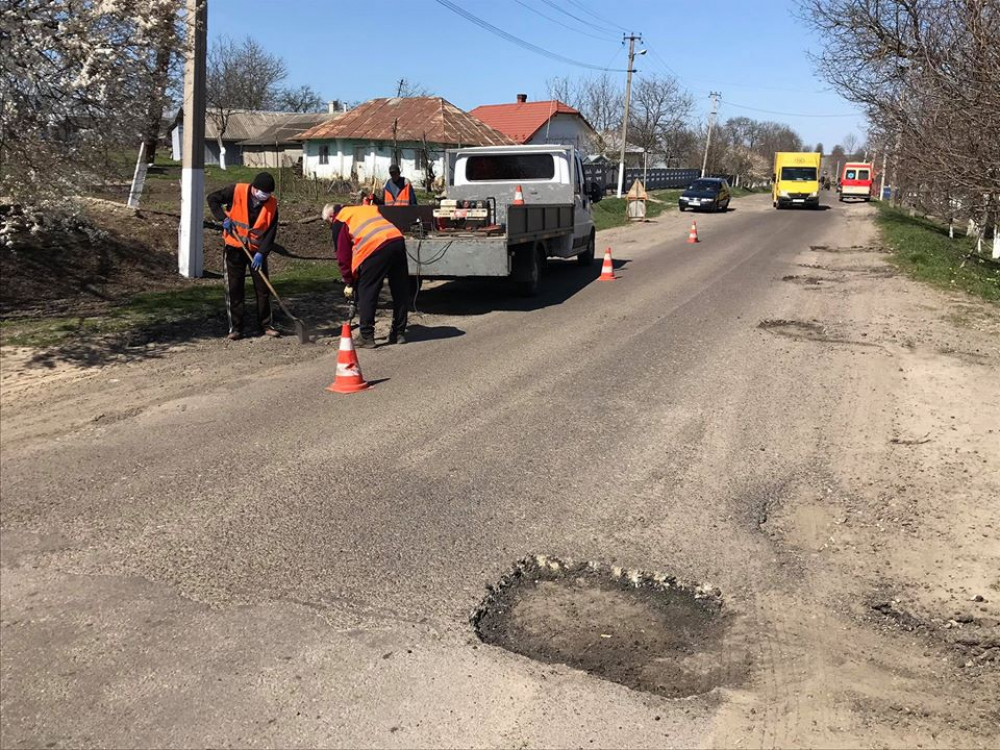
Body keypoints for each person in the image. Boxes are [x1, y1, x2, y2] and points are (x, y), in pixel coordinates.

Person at [322, 201, 409, 348]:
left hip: (376, 246)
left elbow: (343, 257)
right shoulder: (361, 210)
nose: (330, 226)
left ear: (331, 216)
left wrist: (350, 281)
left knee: (367, 290)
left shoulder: (340, 220)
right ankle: (399, 333)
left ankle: (366, 335)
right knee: (400, 289)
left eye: (328, 222)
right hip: (397, 240)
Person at [207, 172, 280, 340]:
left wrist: (262, 253)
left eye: (268, 194)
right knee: (234, 288)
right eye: (264, 192)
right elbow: (212, 198)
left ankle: (266, 324)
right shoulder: (236, 191)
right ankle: (236, 328)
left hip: (256, 250)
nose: (266, 196)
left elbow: (270, 232)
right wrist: (222, 218)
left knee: (263, 289)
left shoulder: (272, 204)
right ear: (255, 188)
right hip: (234, 247)